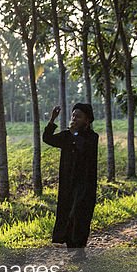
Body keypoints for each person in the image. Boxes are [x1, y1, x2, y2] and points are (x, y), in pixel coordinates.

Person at [42, 103, 99, 250]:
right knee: (67, 214)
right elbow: (47, 138)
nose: (74, 119)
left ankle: (79, 249)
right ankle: (71, 246)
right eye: (73, 115)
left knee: (80, 215)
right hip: (68, 183)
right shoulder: (67, 135)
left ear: (87, 120)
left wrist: (74, 134)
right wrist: (52, 119)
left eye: (78, 116)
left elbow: (83, 148)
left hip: (85, 184)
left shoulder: (92, 137)